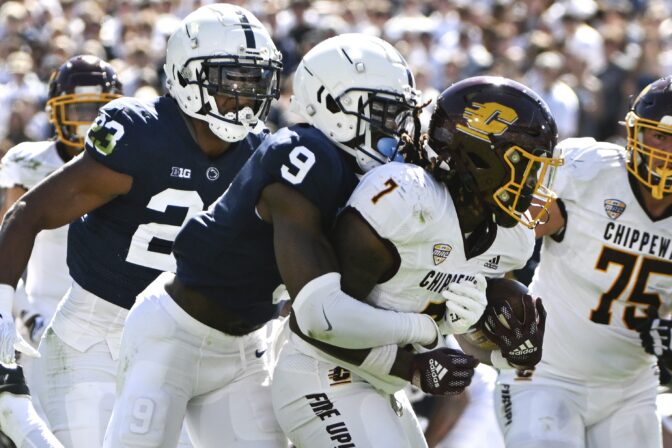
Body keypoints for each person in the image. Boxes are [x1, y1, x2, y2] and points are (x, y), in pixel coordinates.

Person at [103, 33, 431, 448]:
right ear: (334, 105)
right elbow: (320, 311)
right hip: (172, 333)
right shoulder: (304, 154)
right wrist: (418, 342)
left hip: (247, 347)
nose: (394, 129)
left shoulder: (361, 175)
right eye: (383, 113)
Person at [0, 3, 283, 447]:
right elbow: (28, 213)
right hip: (100, 337)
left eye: (256, 83)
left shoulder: (260, 154)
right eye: (232, 83)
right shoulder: (141, 134)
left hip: (200, 341)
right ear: (188, 76)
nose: (246, 100)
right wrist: (1, 311)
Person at [271, 75, 562, 447]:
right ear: (478, 156)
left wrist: (507, 350)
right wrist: (412, 363)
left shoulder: (510, 240)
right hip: (322, 373)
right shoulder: (406, 201)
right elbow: (318, 323)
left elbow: (460, 333)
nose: (534, 182)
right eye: (525, 164)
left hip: (384, 386)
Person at [495, 75, 672, 448]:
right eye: (660, 135)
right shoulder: (588, 172)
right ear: (634, 133)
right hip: (546, 374)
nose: (667, 153)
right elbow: (501, 239)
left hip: (632, 390)